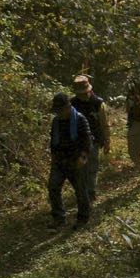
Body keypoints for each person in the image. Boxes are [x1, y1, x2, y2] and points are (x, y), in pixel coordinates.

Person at [49, 91, 93, 227]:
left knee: (80, 190)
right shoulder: (56, 121)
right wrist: (53, 157)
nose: (59, 113)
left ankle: (83, 218)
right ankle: (59, 218)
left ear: (68, 107)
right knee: (53, 187)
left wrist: (83, 157)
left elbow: (87, 140)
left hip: (76, 160)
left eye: (61, 110)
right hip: (59, 161)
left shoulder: (80, 119)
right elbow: (53, 141)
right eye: (57, 110)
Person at [70, 74, 110, 205]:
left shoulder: (98, 103)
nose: (83, 95)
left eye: (84, 92)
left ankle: (91, 192)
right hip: (77, 141)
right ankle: (82, 192)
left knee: (92, 167)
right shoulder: (72, 104)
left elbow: (104, 123)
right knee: (80, 168)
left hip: (94, 140)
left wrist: (107, 141)